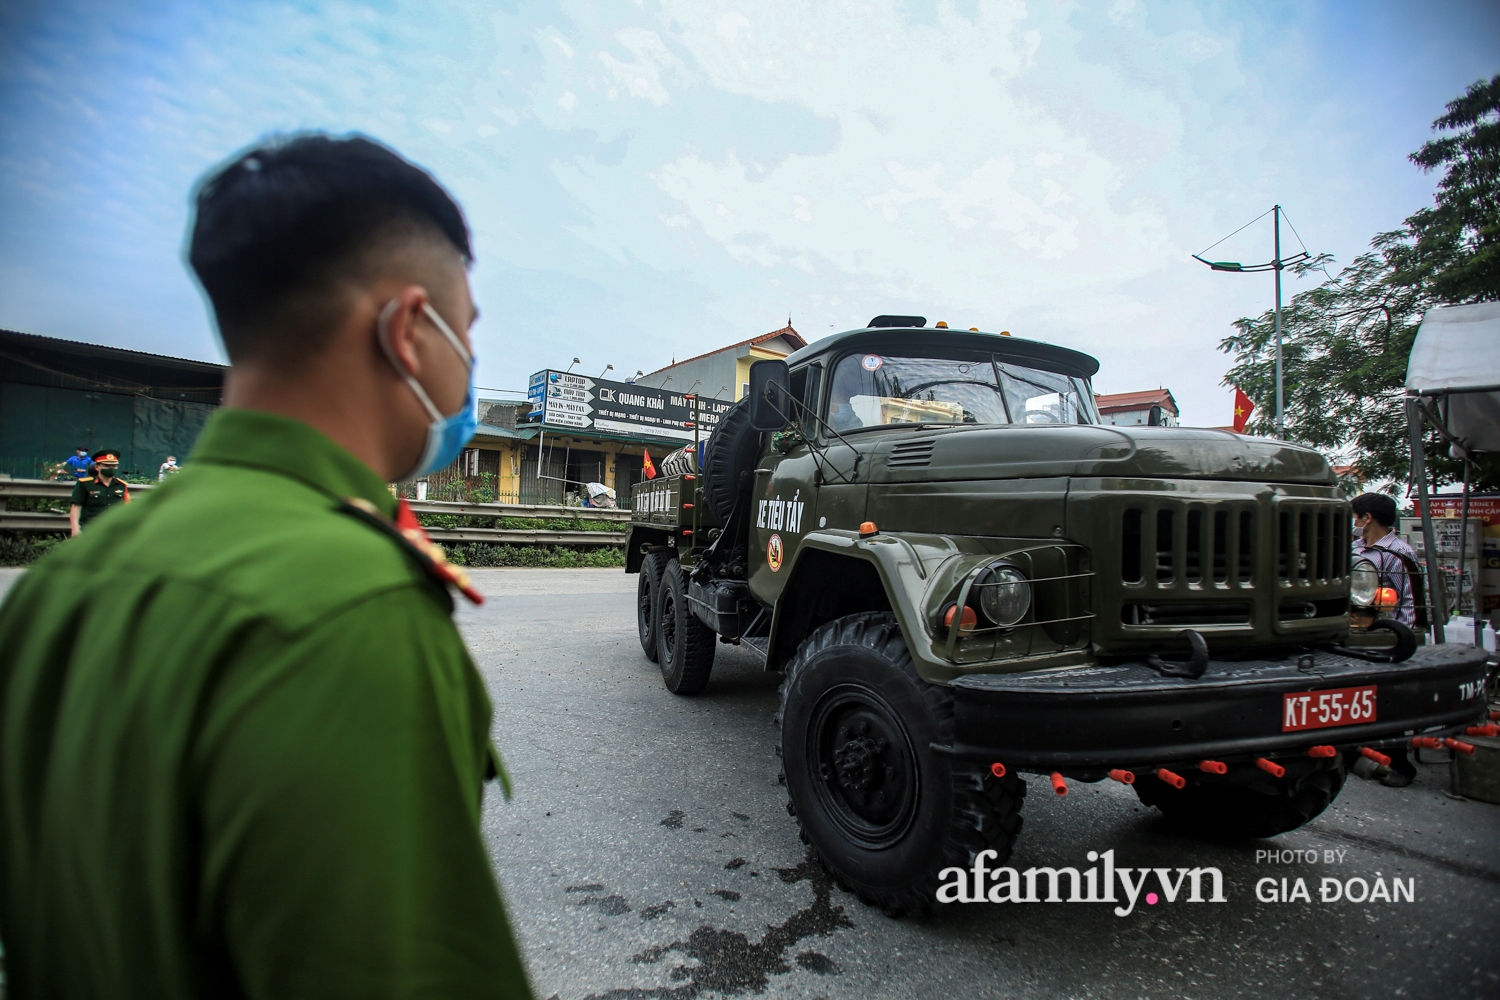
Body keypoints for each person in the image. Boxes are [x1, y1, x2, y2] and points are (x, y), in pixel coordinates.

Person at [0, 134, 532, 997]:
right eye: (464, 333)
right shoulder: (352, 609)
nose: (467, 367)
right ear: (407, 331)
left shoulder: (61, 586)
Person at [1350, 492, 1420, 787]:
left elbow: (1408, 601)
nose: (1353, 522)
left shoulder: (1398, 554)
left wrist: (1399, 638)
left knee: (1391, 700)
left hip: (1385, 634)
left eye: (1356, 516)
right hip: (1355, 632)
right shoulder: (1354, 549)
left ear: (1367, 519)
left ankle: (1399, 765)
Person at [67, 448, 130, 535]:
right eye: (107, 465)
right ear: (97, 467)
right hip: (91, 530)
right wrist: (75, 528)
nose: (111, 468)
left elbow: (126, 508)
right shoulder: (85, 484)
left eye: (114, 466)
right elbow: (76, 506)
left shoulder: (121, 485)